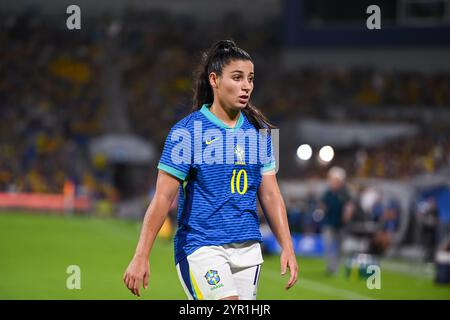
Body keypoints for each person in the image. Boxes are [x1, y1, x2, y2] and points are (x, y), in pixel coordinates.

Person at [123, 40, 298, 300]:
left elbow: (271, 195)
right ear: (214, 80)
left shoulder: (262, 132)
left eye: (250, 78)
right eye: (237, 78)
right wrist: (141, 255)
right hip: (202, 246)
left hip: (248, 247)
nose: (246, 85)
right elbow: (163, 197)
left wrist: (288, 246)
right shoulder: (186, 132)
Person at [319, 166, 354, 275]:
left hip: (341, 224)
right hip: (329, 222)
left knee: (340, 247)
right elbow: (322, 204)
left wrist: (347, 215)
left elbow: (350, 205)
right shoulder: (328, 192)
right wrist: (321, 210)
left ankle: (336, 267)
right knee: (328, 244)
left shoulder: (345, 192)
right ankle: (330, 266)